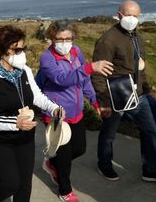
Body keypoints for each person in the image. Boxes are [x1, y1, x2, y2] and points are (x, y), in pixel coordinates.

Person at [0, 25, 65, 202]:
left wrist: (53, 108)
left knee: (25, 184)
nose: (21, 53)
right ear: (1, 50)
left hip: (25, 137)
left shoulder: (23, 70)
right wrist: (15, 123)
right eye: (16, 49)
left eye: (23, 48)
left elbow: (37, 96)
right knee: (10, 184)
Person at [91, 0, 156, 183]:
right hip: (115, 96)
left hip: (138, 95)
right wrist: (103, 102)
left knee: (151, 131)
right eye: (128, 15)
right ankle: (104, 164)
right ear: (119, 15)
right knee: (109, 134)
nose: (132, 19)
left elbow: (140, 68)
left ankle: (151, 169)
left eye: (135, 16)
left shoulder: (136, 36)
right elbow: (97, 74)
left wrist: (148, 90)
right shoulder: (108, 40)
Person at [38, 21, 113, 202]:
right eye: (59, 39)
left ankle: (52, 163)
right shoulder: (47, 58)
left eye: (68, 39)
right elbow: (61, 79)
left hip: (76, 112)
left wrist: (95, 102)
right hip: (57, 114)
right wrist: (89, 67)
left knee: (79, 149)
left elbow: (84, 80)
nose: (64, 43)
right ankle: (65, 191)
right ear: (52, 38)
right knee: (64, 158)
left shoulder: (76, 51)